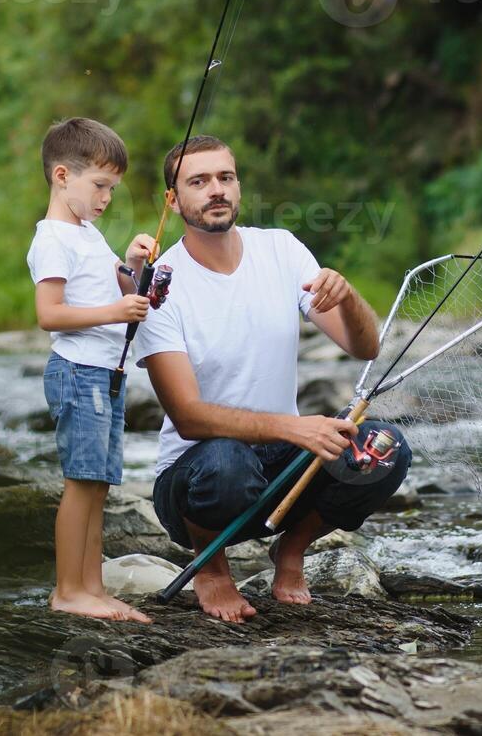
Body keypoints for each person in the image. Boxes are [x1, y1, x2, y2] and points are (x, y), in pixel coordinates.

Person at [134, 134, 410, 623]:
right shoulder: (160, 282)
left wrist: (347, 296)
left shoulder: (280, 248)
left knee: (384, 448)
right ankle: (212, 568)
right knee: (227, 462)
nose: (216, 190)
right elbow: (189, 417)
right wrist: (295, 427)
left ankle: (291, 549)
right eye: (198, 181)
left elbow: (365, 347)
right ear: (173, 201)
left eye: (226, 177)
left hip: (282, 469)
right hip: (195, 480)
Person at [27, 117, 156, 623]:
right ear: (63, 176)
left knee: (99, 483)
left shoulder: (87, 233)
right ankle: (67, 590)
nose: (106, 198)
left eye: (112, 188)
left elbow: (117, 285)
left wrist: (133, 261)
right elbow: (49, 315)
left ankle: (93, 588)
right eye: (99, 186)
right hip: (78, 372)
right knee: (81, 482)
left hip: (106, 373)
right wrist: (115, 313)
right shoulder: (53, 240)